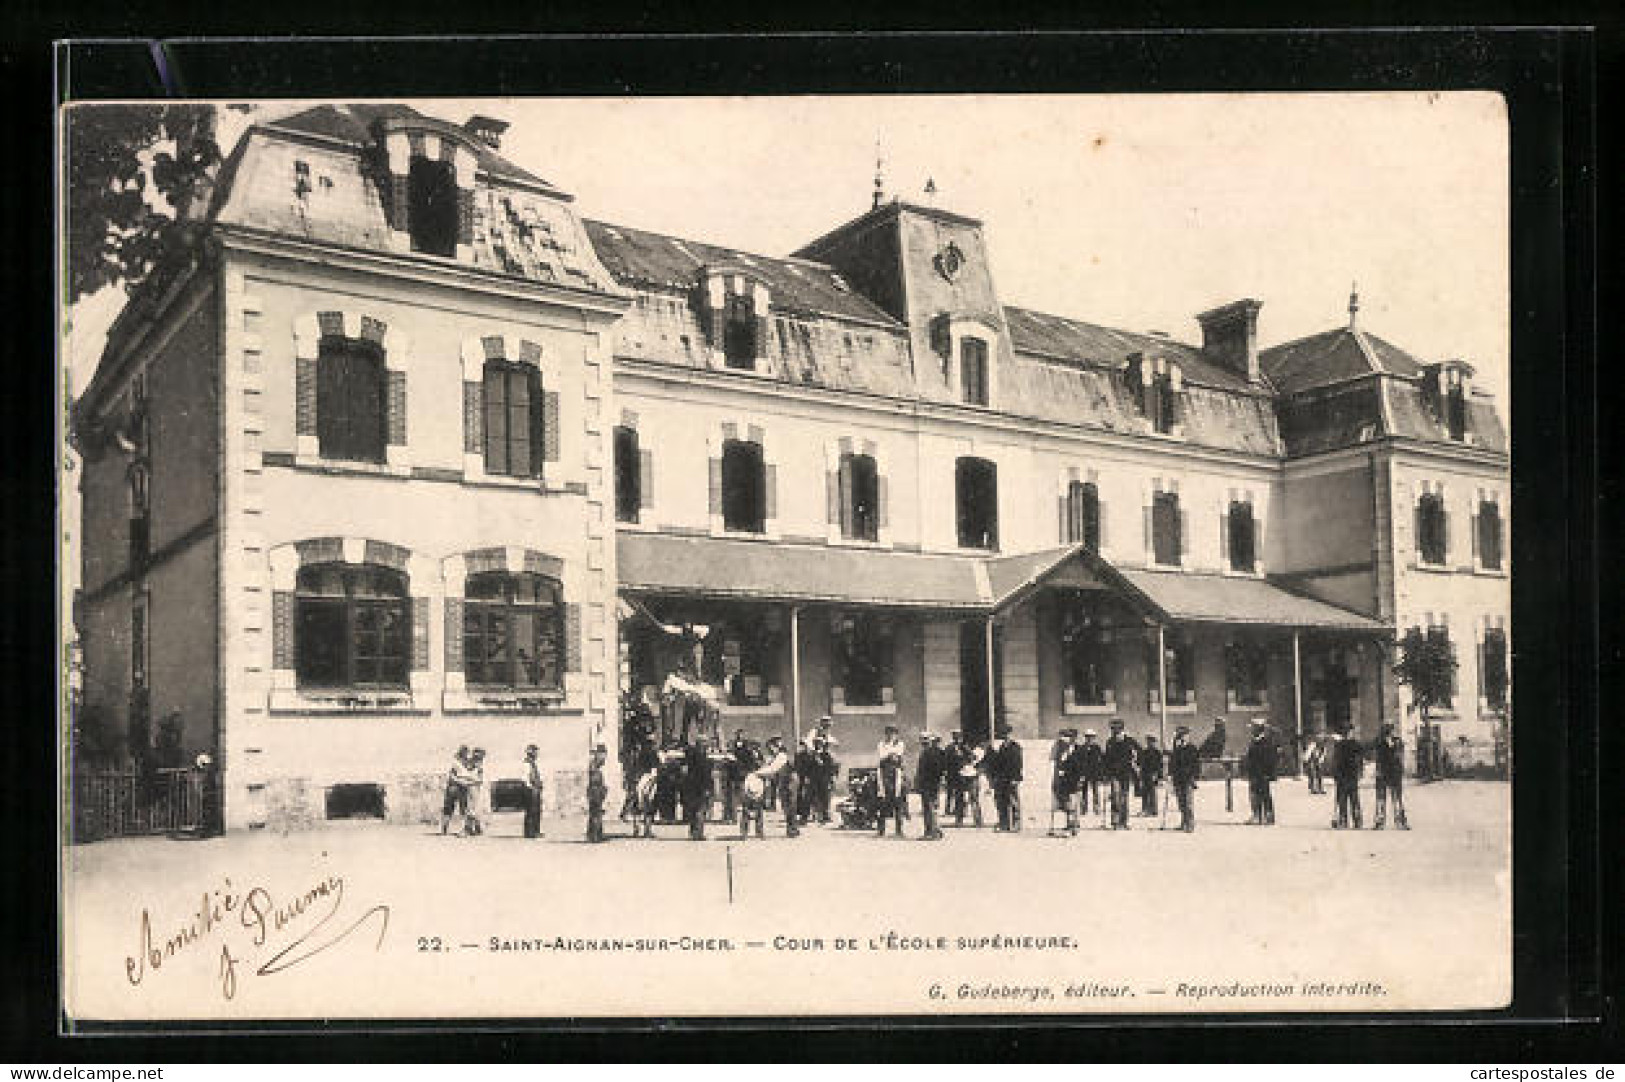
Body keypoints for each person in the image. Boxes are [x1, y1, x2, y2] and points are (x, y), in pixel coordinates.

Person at [1102, 719, 1139, 830]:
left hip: (1125, 773)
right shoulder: (1110, 742)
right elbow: (1107, 759)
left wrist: (1135, 763)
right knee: (1115, 796)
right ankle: (1115, 822)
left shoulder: (1129, 741)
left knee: (1124, 798)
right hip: (1114, 774)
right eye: (1113, 729)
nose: (1114, 731)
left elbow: (1139, 752)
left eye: (1116, 729)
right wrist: (1105, 773)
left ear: (1121, 729)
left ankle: (1124, 822)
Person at [1373, 722, 1410, 830]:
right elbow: (1399, 756)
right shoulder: (1384, 741)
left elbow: (1398, 755)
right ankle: (1399, 822)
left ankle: (1381, 821)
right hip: (1391, 772)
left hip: (1388, 772)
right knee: (1395, 798)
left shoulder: (1383, 741)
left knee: (1383, 798)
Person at [987, 725, 1023, 832]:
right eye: (1003, 734)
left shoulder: (1015, 747)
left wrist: (1016, 778)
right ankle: (1004, 823)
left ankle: (1016, 824)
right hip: (1001, 779)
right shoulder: (1002, 747)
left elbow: (1018, 764)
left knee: (1013, 801)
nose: (1005, 736)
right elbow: (998, 763)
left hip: (1011, 779)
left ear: (1011, 734)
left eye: (1007, 734)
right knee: (1001, 802)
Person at [875, 726, 908, 837]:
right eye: (888, 733)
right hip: (884, 774)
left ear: (896, 734)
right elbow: (882, 757)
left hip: (896, 774)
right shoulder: (881, 744)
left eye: (893, 733)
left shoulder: (900, 744)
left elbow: (899, 756)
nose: (890, 735)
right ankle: (881, 830)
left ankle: (899, 830)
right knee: (882, 801)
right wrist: (891, 756)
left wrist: (891, 756)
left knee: (898, 801)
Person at [1331, 725, 1366, 829]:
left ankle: (1343, 820)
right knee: (1354, 798)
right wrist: (1360, 771)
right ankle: (1357, 821)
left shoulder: (1339, 745)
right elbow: (1361, 757)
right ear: (1350, 732)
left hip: (1342, 775)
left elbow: (1335, 761)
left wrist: (1335, 775)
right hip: (1352, 775)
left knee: (1342, 799)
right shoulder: (1356, 744)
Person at [1242, 720, 1276, 825]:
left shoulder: (1266, 742)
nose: (1251, 731)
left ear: (1257, 730)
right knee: (1254, 795)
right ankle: (1256, 816)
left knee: (1265, 795)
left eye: (1252, 728)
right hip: (1254, 774)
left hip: (1262, 774)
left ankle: (1268, 817)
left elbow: (1270, 760)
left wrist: (1268, 774)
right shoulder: (1254, 742)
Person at [1050, 728, 1083, 836]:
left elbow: (1080, 766)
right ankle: (1070, 825)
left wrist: (1080, 779)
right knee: (1067, 803)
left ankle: (1074, 826)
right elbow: (1054, 760)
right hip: (1064, 781)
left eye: (1069, 736)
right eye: (1065, 736)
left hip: (1073, 780)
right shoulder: (1061, 749)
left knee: (1073, 803)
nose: (1067, 739)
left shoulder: (1078, 749)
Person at [915, 732, 946, 840]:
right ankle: (934, 830)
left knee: (929, 808)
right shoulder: (933, 752)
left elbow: (932, 770)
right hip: (931, 784)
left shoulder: (930, 753)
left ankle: (932, 832)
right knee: (931, 807)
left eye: (926, 739)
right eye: (922, 740)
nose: (923, 742)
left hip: (929, 784)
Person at [1169, 724, 1200, 832]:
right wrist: (1170, 775)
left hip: (1188, 779)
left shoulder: (1192, 748)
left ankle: (1190, 824)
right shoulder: (1176, 750)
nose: (1181, 738)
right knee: (1181, 802)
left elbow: (1196, 765)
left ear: (1187, 736)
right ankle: (1183, 823)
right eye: (1179, 736)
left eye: (1183, 735)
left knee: (1188, 803)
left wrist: (1194, 777)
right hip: (1178, 779)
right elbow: (1172, 764)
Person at [682, 735, 713, 840]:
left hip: (691, 787)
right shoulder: (701, 757)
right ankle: (698, 833)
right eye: (705, 742)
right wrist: (707, 788)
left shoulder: (690, 755)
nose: (706, 744)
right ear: (701, 743)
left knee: (693, 810)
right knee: (700, 810)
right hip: (700, 787)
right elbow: (705, 774)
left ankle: (693, 832)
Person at [724, 728, 757, 822]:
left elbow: (750, 762)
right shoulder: (732, 746)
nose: (739, 736)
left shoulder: (748, 748)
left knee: (744, 796)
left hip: (742, 775)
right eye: (738, 734)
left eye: (741, 734)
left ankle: (746, 816)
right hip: (732, 776)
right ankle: (732, 817)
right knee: (731, 797)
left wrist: (737, 762)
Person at [440, 745, 471, 835]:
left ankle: (458, 829)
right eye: (464, 753)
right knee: (452, 808)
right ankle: (445, 828)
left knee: (460, 808)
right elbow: (452, 776)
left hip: (460, 787)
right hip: (456, 787)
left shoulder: (465, 764)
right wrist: (461, 781)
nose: (465, 755)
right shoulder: (457, 763)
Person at [1078, 729, 1104, 819]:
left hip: (1094, 773)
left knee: (1095, 791)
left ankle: (1097, 809)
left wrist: (1101, 774)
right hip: (1085, 773)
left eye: (1091, 737)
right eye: (1088, 737)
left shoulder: (1097, 748)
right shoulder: (1082, 748)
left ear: (1094, 738)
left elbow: (1101, 761)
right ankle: (1083, 809)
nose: (1089, 739)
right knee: (1084, 791)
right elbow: (1080, 761)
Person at [585, 744, 609, 843]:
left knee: (596, 813)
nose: (604, 757)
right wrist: (602, 788)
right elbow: (595, 780)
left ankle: (595, 835)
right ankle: (594, 836)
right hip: (595, 792)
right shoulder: (594, 765)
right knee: (595, 813)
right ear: (599, 754)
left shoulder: (595, 765)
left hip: (596, 791)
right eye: (603, 754)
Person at [1138, 734, 1164, 817]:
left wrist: (1159, 776)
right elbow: (1140, 763)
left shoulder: (1157, 753)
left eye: (1152, 742)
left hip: (1153, 775)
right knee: (1145, 793)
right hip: (1145, 774)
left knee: (1152, 793)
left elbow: (1160, 766)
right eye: (1149, 742)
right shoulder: (1144, 752)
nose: (1150, 743)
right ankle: (1145, 809)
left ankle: (1153, 810)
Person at [463, 748, 488, 836]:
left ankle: (468, 829)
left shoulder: (478, 766)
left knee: (473, 808)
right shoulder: (474, 765)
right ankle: (477, 828)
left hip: (475, 787)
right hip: (473, 787)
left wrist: (469, 782)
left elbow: (479, 779)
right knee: (475, 808)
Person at [522, 744, 545, 839]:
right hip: (530, 790)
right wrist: (532, 786)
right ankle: (530, 832)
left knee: (536, 811)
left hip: (535, 789)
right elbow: (526, 778)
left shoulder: (533, 764)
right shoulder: (527, 764)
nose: (536, 754)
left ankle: (536, 830)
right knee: (531, 811)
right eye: (535, 752)